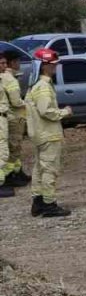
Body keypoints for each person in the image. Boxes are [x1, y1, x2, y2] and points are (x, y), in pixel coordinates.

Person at [25, 49, 73, 217]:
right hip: (48, 134)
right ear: (44, 66)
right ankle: (49, 204)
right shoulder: (44, 87)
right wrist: (64, 112)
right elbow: (46, 110)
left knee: (39, 168)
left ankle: (38, 202)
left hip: (39, 134)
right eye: (53, 65)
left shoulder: (34, 86)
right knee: (49, 170)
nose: (55, 67)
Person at [0, 49, 27, 190]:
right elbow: (16, 101)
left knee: (12, 148)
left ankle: (15, 173)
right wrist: (28, 103)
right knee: (11, 149)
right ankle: (8, 177)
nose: (20, 63)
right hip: (13, 117)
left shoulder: (5, 77)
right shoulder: (8, 78)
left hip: (8, 117)